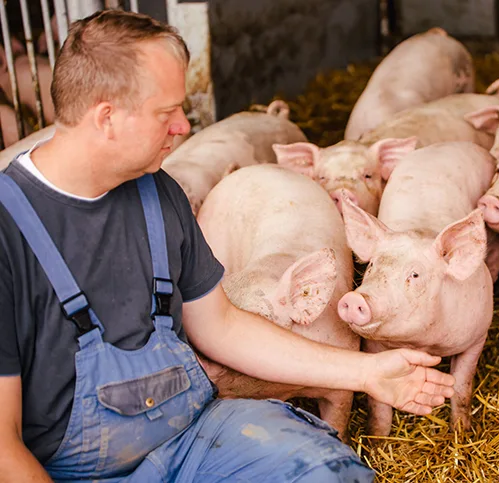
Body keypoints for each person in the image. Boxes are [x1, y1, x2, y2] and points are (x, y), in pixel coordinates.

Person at [0, 9, 456, 483]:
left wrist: (368, 372)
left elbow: (222, 327)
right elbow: (2, 446)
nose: (183, 127)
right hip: (75, 472)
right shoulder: (8, 230)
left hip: (193, 437)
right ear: (107, 117)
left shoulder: (159, 194)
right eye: (167, 112)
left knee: (330, 474)